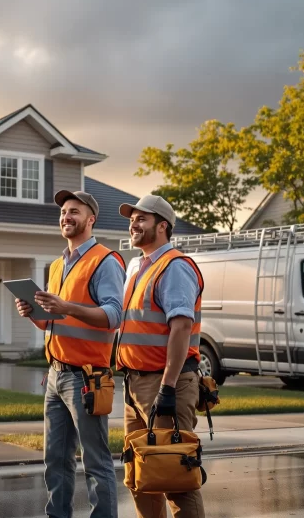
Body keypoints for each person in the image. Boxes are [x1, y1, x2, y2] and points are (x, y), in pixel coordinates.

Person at [15, 189, 125, 518]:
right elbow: (53, 321)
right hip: (55, 376)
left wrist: (67, 307)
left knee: (96, 463)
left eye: (74, 211)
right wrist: (33, 312)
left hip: (86, 379)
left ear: (91, 219)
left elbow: (114, 316)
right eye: (64, 211)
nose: (66, 216)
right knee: (56, 461)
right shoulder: (58, 264)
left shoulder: (105, 261)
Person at [116, 194, 205, 518]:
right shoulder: (136, 265)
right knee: (141, 475)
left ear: (162, 226)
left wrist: (167, 388)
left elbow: (181, 328)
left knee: (175, 478)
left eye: (141, 219)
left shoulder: (175, 267)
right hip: (135, 384)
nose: (133, 225)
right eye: (131, 219)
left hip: (165, 385)